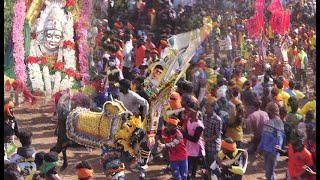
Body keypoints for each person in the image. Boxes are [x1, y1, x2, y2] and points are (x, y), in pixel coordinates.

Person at [257, 103, 285, 180]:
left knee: (270, 171)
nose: (267, 113)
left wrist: (274, 153)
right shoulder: (268, 122)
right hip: (266, 149)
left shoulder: (278, 123)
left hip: (272, 151)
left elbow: (280, 140)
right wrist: (260, 147)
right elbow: (264, 136)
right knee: (268, 171)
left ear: (271, 112)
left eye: (267, 111)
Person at [182, 101, 207, 179]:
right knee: (189, 167)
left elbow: (195, 139)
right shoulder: (189, 121)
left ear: (194, 112)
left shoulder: (199, 125)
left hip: (197, 149)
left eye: (189, 110)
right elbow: (187, 133)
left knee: (196, 168)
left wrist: (184, 134)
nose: (187, 112)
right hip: (190, 148)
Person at [202, 99, 222, 177]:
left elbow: (217, 135)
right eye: (206, 107)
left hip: (213, 146)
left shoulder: (217, 119)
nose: (206, 109)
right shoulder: (205, 117)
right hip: (205, 145)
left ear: (213, 108)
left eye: (208, 107)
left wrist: (206, 139)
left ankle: (222, 177)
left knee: (213, 166)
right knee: (207, 166)